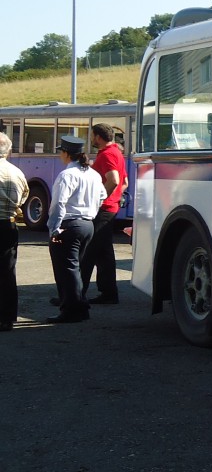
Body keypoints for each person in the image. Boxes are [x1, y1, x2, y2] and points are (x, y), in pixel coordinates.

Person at [47, 135, 105, 324]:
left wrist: (54, 228)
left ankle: (71, 310)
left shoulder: (67, 175)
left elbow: (58, 204)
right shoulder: (93, 174)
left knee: (66, 269)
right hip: (87, 224)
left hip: (69, 225)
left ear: (66, 153)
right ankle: (80, 306)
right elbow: (102, 195)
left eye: (60, 152)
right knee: (75, 268)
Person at [80, 122, 127, 304]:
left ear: (98, 137)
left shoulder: (108, 154)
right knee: (104, 253)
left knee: (88, 251)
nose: (91, 139)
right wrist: (115, 197)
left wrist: (100, 199)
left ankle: (76, 293)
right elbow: (124, 183)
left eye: (92, 136)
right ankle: (108, 293)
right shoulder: (117, 153)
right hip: (111, 208)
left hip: (103, 209)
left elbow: (114, 180)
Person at [0, 132, 30, 332]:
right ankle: (7, 318)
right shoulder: (17, 172)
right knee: (7, 272)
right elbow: (24, 197)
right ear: (8, 150)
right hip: (8, 226)